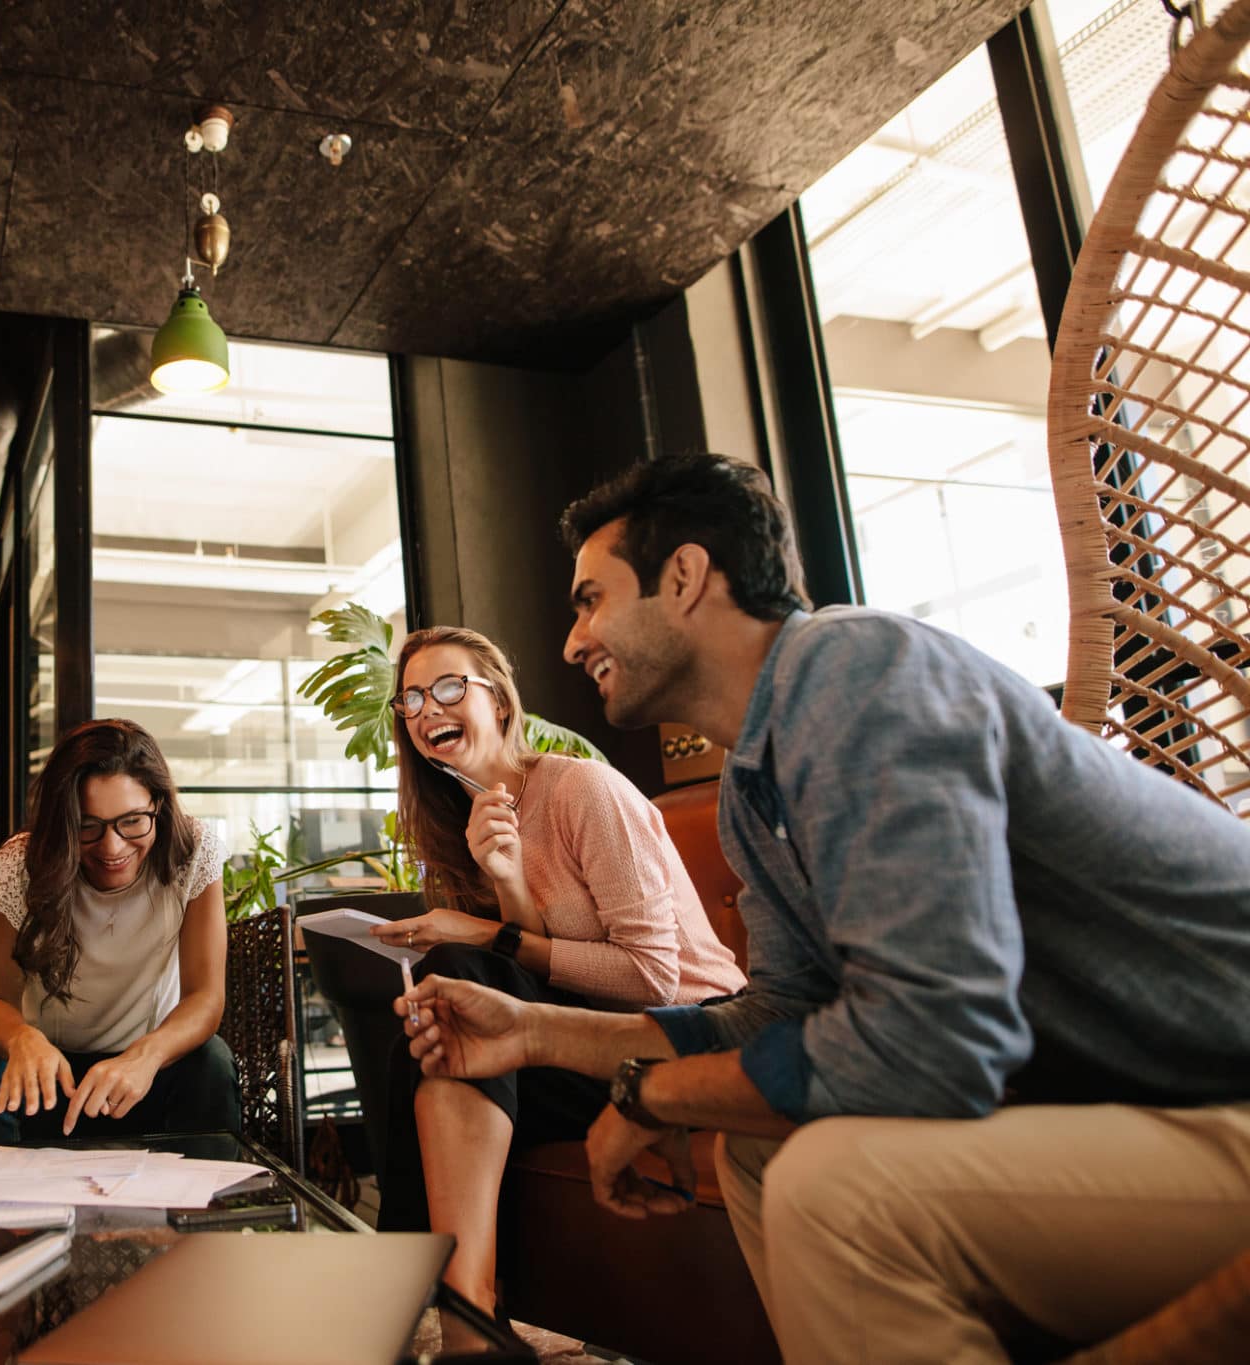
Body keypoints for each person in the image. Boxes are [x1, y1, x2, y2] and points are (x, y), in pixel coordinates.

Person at [396, 453, 1250, 1363]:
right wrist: (528, 1031)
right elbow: (780, 1016)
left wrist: (658, 1091)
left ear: (683, 577)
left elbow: (935, 1040)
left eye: (590, 599)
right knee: (761, 1153)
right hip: (1133, 1109)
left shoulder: (856, 669)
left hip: (1220, 1091)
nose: (571, 643)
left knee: (832, 1185)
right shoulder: (755, 782)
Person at [366, 625, 743, 1316]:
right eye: (411, 698)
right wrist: (505, 886)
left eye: (449, 687)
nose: (426, 708)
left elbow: (652, 977)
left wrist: (484, 931)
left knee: (458, 978)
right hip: (566, 1036)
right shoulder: (458, 825)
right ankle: (456, 1300)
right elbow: (527, 975)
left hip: (684, 1036)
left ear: (501, 704)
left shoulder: (582, 790)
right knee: (437, 1021)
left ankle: (443, 1299)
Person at [0, 717, 239, 1144]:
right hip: (49, 1081)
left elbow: (205, 998)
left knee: (211, 1064)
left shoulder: (192, 852)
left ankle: (199, 1209)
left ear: (158, 804)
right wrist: (22, 1038)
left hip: (146, 1074)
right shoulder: (21, 865)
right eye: (87, 825)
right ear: (62, 820)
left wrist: (147, 1056)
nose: (112, 847)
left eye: (133, 821)